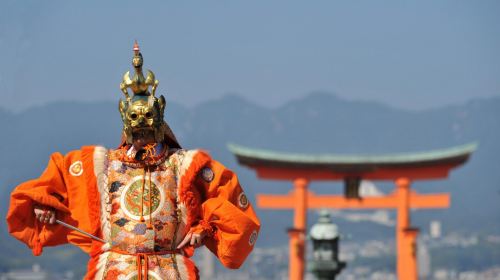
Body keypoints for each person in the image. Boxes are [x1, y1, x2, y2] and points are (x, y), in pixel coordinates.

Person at [6, 41, 260, 280]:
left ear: (159, 119)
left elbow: (229, 206)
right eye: (135, 123)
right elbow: (49, 187)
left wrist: (204, 228)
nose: (142, 130)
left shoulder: (186, 166)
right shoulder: (99, 165)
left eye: (148, 119)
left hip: (169, 269)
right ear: (125, 121)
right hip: (115, 269)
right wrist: (45, 207)